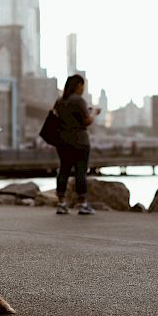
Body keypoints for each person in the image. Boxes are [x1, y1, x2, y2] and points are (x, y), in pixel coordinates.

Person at [54, 74, 100, 215]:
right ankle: (83, 204)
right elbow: (87, 121)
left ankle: (61, 203)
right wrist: (95, 113)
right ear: (77, 86)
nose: (83, 89)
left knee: (63, 171)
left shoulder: (60, 101)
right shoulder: (78, 100)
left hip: (63, 142)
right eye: (82, 86)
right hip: (80, 141)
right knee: (81, 172)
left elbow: (56, 118)